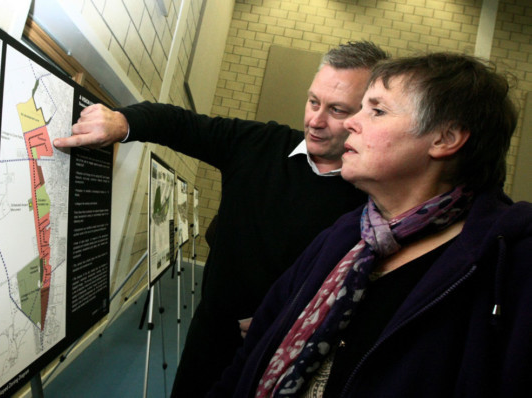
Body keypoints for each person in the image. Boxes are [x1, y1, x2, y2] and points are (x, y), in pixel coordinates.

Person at [54, 41, 389, 397]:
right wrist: (124, 122)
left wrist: (285, 324)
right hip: (210, 338)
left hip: (288, 358)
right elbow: (181, 124)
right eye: (313, 102)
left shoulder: (372, 197)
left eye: (337, 110)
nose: (316, 121)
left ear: (364, 115)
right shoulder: (259, 144)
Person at [208, 53, 532, 397]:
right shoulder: (345, 236)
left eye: (376, 111)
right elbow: (253, 354)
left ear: (444, 138)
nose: (350, 122)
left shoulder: (508, 263)